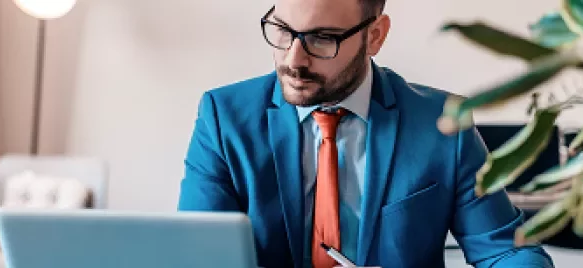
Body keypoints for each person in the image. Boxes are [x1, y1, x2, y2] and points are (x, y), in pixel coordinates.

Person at [177, 0, 555, 267]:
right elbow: (195, 256)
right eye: (282, 30)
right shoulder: (223, 117)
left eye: (322, 38)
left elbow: (508, 252)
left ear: (375, 36)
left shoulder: (443, 123)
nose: (293, 59)